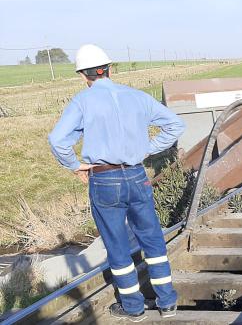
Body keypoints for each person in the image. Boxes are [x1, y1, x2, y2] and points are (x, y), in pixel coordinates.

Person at [48, 44, 185, 322]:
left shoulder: (82, 101)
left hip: (104, 179)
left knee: (117, 244)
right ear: (110, 69)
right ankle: (167, 302)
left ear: (83, 75)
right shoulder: (137, 97)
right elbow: (175, 125)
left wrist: (75, 166)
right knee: (152, 237)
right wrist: (148, 149)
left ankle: (133, 308)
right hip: (137, 175)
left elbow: (57, 140)